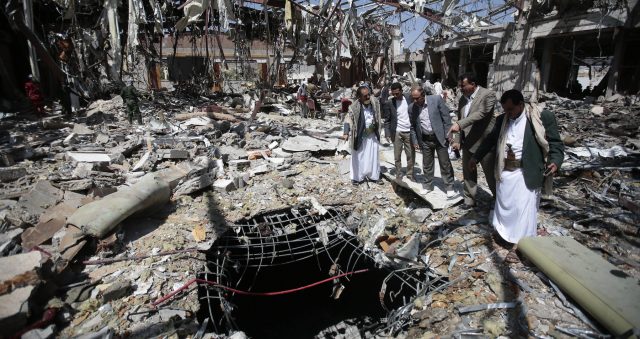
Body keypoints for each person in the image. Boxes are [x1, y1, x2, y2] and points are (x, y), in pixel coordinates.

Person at [470, 89, 564, 263]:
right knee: (506, 206)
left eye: (511, 109)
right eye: (505, 110)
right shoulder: (502, 120)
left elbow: (555, 143)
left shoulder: (541, 117)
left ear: (521, 104)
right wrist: (476, 157)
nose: (508, 113)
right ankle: (506, 234)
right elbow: (490, 140)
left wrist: (555, 161)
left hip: (527, 172)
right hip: (505, 171)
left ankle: (520, 246)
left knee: (524, 210)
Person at [448, 72, 497, 208]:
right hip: (468, 142)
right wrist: (457, 140)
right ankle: (469, 200)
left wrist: (460, 124)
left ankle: (498, 200)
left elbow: (481, 113)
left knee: (491, 175)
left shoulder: (488, 95)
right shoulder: (463, 99)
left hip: (485, 144)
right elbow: (459, 118)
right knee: (468, 174)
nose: (460, 89)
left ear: (473, 84)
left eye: (463, 86)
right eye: (459, 86)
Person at [409, 87, 456, 197]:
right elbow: (412, 126)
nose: (415, 101)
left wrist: (448, 134)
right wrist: (415, 140)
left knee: (445, 163)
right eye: (413, 98)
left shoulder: (436, 100)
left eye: (417, 98)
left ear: (423, 95)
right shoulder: (412, 108)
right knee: (427, 164)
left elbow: (446, 118)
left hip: (440, 138)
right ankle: (427, 186)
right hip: (425, 139)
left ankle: (449, 186)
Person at [343, 85, 383, 184]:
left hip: (372, 134)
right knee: (358, 156)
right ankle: (357, 178)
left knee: (373, 156)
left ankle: (374, 176)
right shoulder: (354, 107)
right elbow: (348, 119)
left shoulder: (374, 102)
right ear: (359, 97)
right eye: (365, 96)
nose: (368, 97)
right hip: (360, 135)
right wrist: (346, 132)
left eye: (368, 94)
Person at [383, 82, 415, 181]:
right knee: (397, 155)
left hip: (409, 131)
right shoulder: (390, 103)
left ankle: (410, 174)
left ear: (401, 91)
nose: (395, 96)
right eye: (393, 94)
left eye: (397, 93)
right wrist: (387, 133)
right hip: (397, 132)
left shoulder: (409, 99)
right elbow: (387, 120)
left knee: (410, 155)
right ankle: (398, 173)